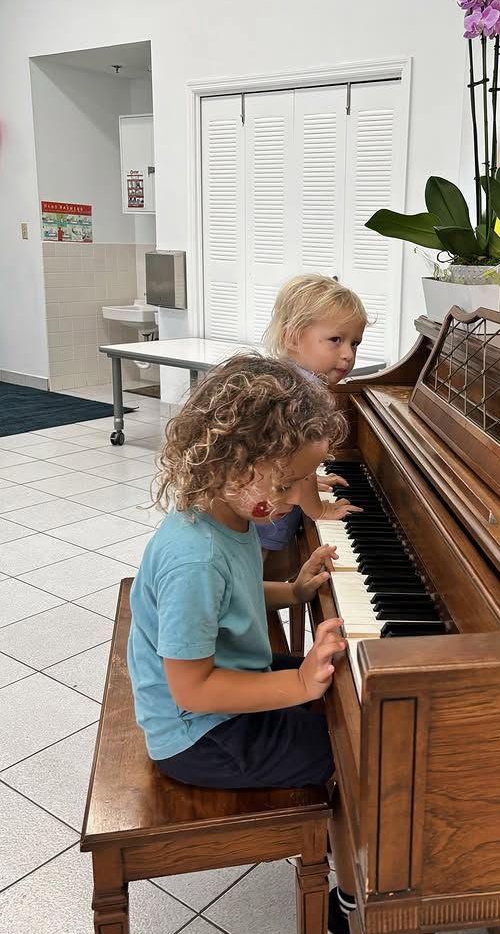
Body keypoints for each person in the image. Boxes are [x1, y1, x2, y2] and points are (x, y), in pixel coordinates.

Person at [126, 354, 356, 932]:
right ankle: (352, 895)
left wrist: (293, 590)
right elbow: (193, 689)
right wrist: (299, 682)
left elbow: (238, 596)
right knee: (351, 747)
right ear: (233, 465)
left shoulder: (227, 518)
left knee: (344, 696)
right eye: (287, 483)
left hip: (225, 679)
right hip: (197, 735)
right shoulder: (193, 559)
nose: (293, 499)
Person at [257, 274, 371, 555]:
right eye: (335, 340)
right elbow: (298, 458)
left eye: (354, 343)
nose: (348, 354)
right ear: (292, 337)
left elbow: (292, 463)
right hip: (265, 512)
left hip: (263, 497)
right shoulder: (306, 393)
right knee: (258, 571)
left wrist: (309, 479)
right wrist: (320, 508)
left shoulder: (284, 377)